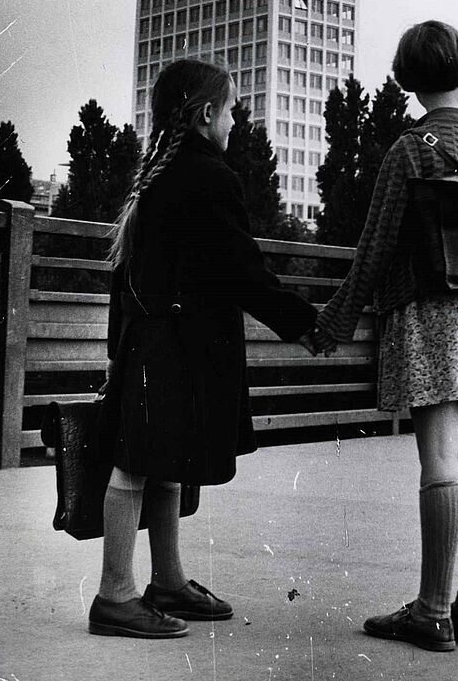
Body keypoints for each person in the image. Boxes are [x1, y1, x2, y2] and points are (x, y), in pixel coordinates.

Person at [314, 20, 458, 653]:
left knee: (439, 455)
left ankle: (432, 610)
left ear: (406, 79)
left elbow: (376, 246)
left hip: (427, 311)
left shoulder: (412, 148)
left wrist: (337, 317)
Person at [89, 58, 318, 639]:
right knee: (137, 464)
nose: (237, 121)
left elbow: (126, 276)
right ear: (207, 113)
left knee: (159, 457)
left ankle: (166, 580)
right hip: (176, 343)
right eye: (234, 109)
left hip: (151, 339)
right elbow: (242, 271)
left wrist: (119, 352)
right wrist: (307, 323)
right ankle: (115, 593)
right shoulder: (209, 176)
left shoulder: (158, 175)